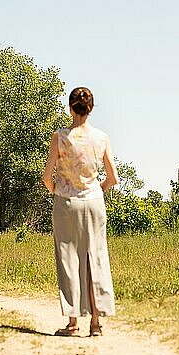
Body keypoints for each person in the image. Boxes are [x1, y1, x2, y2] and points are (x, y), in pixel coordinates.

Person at [42, 87, 119, 337]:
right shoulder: (102, 137)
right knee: (95, 258)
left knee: (69, 259)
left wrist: (58, 190)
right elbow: (113, 178)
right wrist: (97, 190)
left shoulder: (60, 137)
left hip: (66, 202)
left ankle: (73, 323)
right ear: (91, 108)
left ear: (70, 107)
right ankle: (96, 323)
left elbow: (46, 177)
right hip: (94, 203)